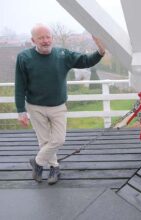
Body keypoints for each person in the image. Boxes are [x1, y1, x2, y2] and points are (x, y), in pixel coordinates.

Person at [15, 23, 106, 185]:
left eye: (48, 37)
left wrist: (101, 50)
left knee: (58, 140)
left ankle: (37, 162)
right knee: (44, 142)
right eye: (40, 37)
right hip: (35, 107)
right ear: (33, 40)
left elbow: (86, 60)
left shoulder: (63, 55)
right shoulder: (24, 58)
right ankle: (54, 168)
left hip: (58, 106)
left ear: (52, 38)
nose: (45, 40)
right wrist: (21, 111)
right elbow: (20, 85)